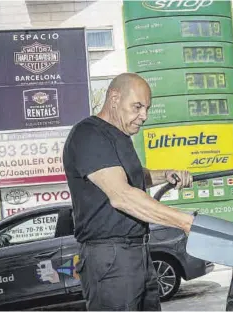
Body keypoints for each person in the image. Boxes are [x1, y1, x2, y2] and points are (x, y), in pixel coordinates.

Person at [63, 73, 195, 311]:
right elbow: (122, 196)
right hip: (111, 257)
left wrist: (164, 175)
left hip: (137, 252)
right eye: (137, 106)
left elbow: (132, 176)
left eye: (147, 108)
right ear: (114, 99)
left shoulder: (120, 137)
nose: (144, 116)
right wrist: (186, 222)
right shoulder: (89, 135)